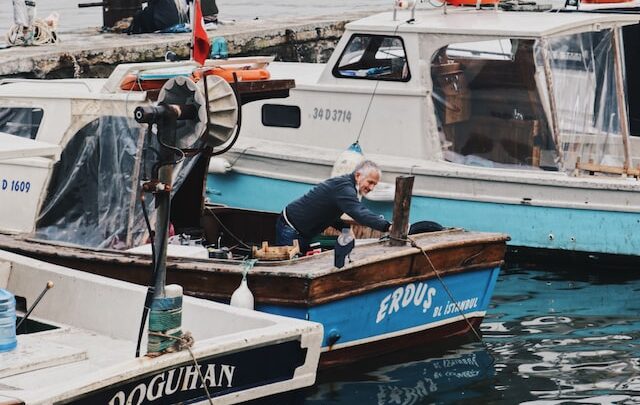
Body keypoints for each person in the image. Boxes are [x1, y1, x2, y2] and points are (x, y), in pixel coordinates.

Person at [276, 160, 391, 253]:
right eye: (370, 182)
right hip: (291, 228)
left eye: (374, 185)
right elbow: (359, 212)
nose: (371, 188)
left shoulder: (344, 186)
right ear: (358, 175)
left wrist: (345, 229)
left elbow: (328, 210)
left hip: (301, 230)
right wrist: (388, 226)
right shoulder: (345, 189)